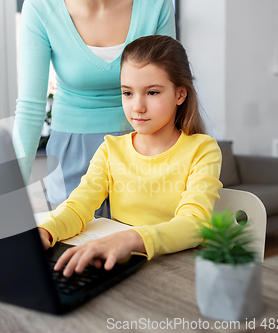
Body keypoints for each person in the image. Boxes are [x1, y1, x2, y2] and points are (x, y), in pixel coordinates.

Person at [38, 35, 223, 277]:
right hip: (127, 268)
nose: (137, 107)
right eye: (127, 93)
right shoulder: (110, 149)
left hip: (181, 271)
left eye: (153, 92)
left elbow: (194, 224)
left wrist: (130, 239)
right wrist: (45, 231)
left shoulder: (202, 149)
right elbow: (78, 207)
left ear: (180, 94)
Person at [13, 0, 176, 208]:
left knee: (141, 234)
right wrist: (10, 196)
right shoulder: (41, 7)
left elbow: (168, 91)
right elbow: (30, 108)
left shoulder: (154, 5)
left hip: (144, 143)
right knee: (72, 233)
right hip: (72, 148)